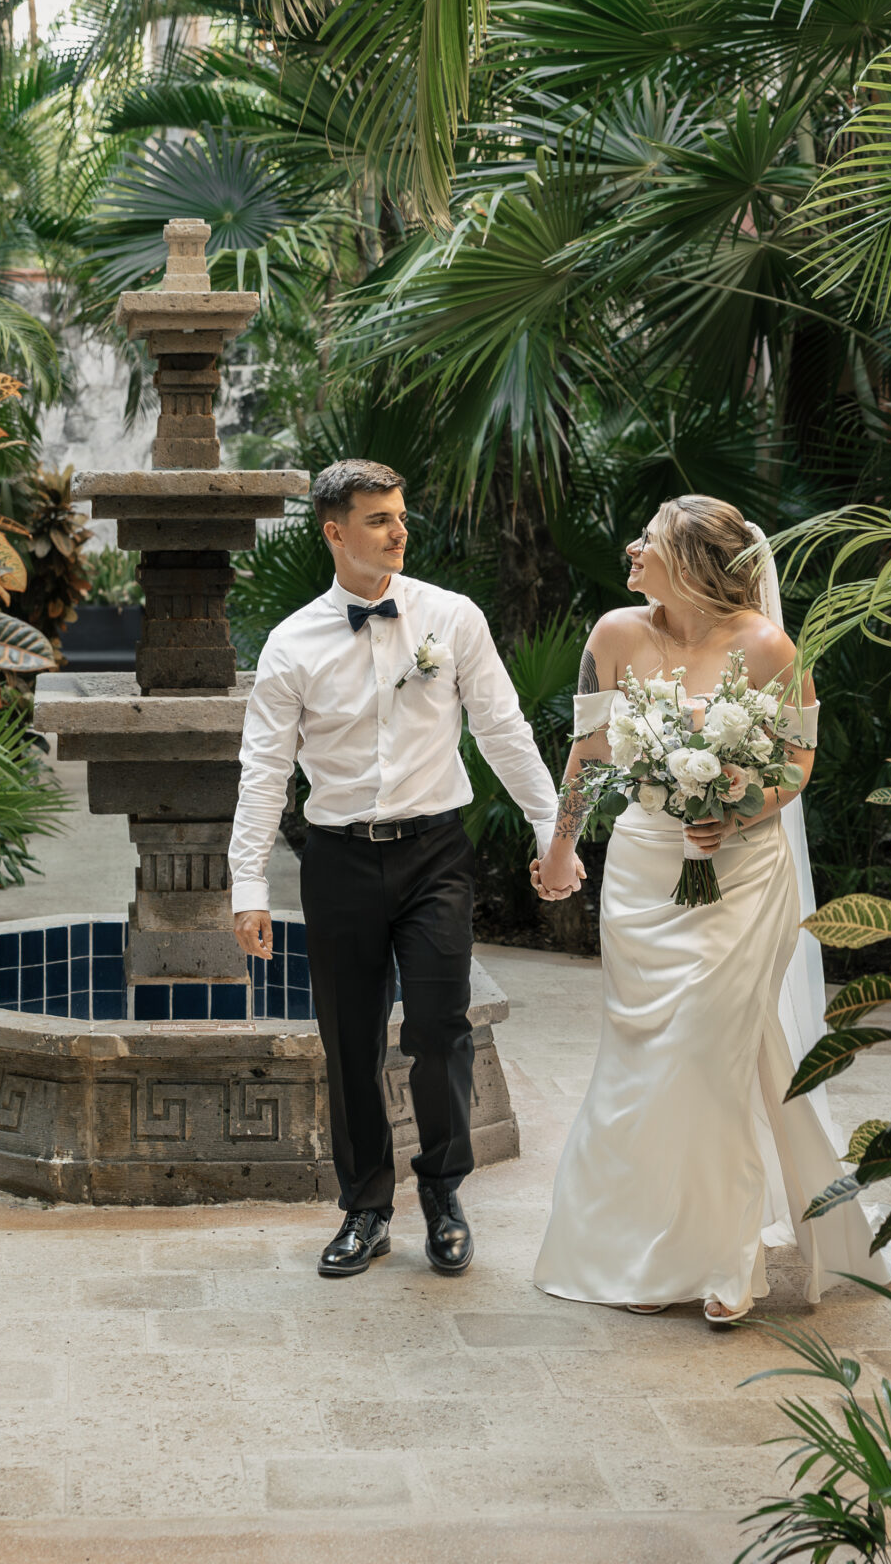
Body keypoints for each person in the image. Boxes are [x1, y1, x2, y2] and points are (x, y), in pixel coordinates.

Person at [531, 497, 888, 1323]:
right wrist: (560, 846)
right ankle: (638, 1250)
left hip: (740, 874)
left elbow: (797, 766)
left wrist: (738, 807)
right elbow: (588, 751)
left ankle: (727, 1264)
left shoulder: (769, 648)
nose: (629, 546)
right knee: (644, 1060)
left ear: (691, 561)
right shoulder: (613, 635)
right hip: (644, 870)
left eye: (647, 540)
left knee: (708, 1054)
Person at [228, 460, 579, 1279]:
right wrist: (248, 887)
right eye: (379, 519)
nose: (398, 532)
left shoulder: (450, 617)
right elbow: (262, 770)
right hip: (338, 860)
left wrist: (546, 828)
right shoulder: (291, 643)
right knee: (348, 1041)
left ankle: (445, 1196)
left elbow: (501, 727)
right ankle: (365, 1209)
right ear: (334, 531)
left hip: (434, 856)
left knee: (437, 1028)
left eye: (400, 515)